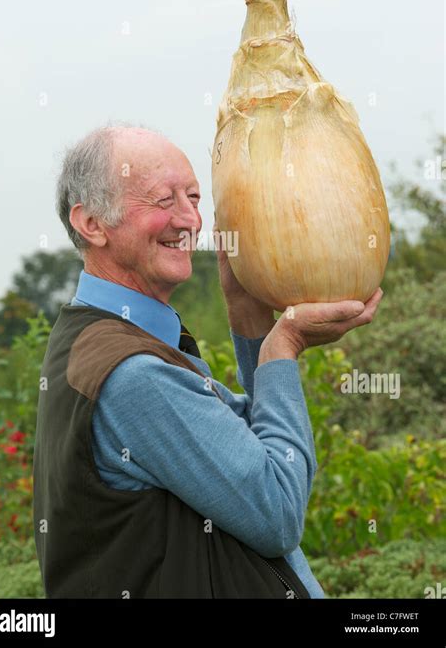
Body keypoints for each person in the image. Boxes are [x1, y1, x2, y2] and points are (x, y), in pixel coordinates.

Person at [32, 123, 383, 599]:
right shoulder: (132, 372)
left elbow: (243, 445)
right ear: (91, 223)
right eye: (163, 200)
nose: (189, 220)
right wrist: (283, 348)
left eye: (194, 198)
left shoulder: (103, 335)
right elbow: (276, 509)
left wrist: (248, 314)